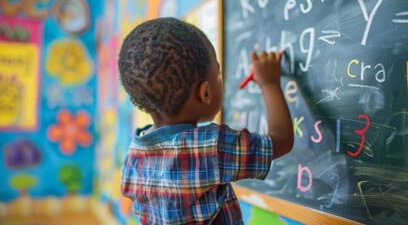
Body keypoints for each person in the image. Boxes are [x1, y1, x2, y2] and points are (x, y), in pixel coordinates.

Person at [119, 17, 294, 225]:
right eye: (218, 74)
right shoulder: (212, 147)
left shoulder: (134, 154)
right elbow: (282, 140)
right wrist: (269, 83)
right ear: (205, 93)